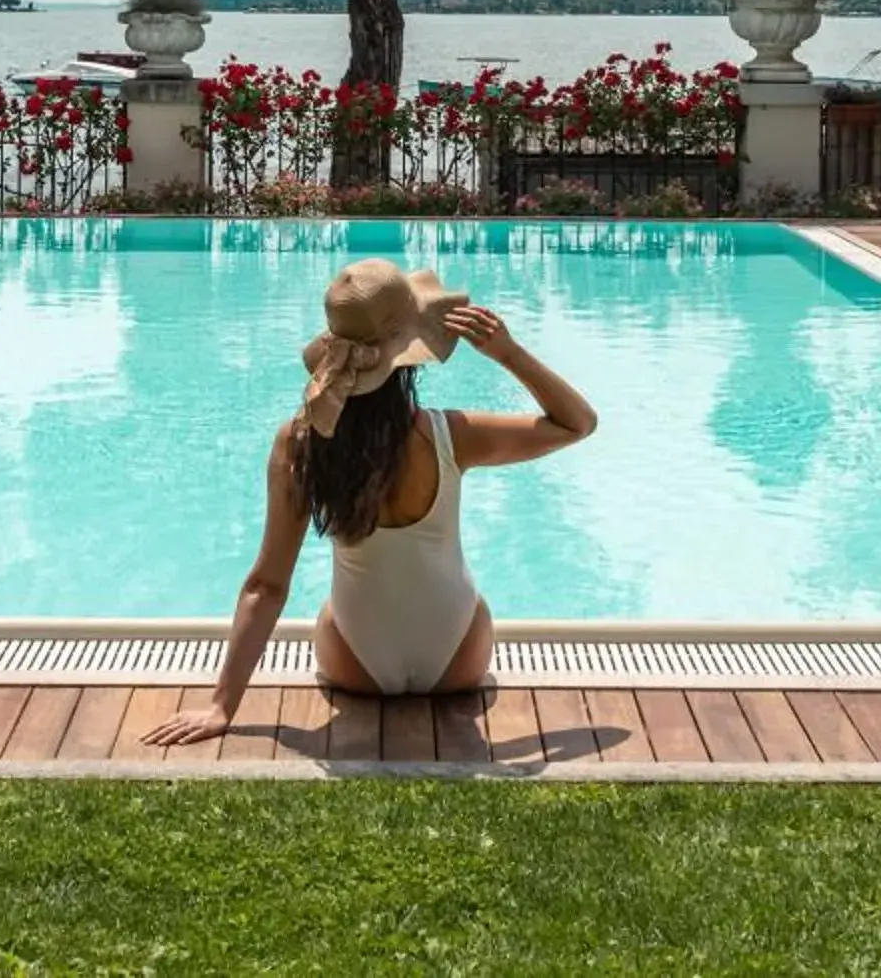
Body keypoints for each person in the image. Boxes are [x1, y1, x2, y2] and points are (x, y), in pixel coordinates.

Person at [140, 258, 598, 745]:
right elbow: (578, 423)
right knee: (471, 596)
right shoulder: (453, 436)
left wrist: (220, 706)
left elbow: (266, 585)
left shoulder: (300, 443)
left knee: (329, 607)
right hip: (459, 660)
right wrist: (509, 354)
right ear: (409, 356)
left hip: (356, 665)